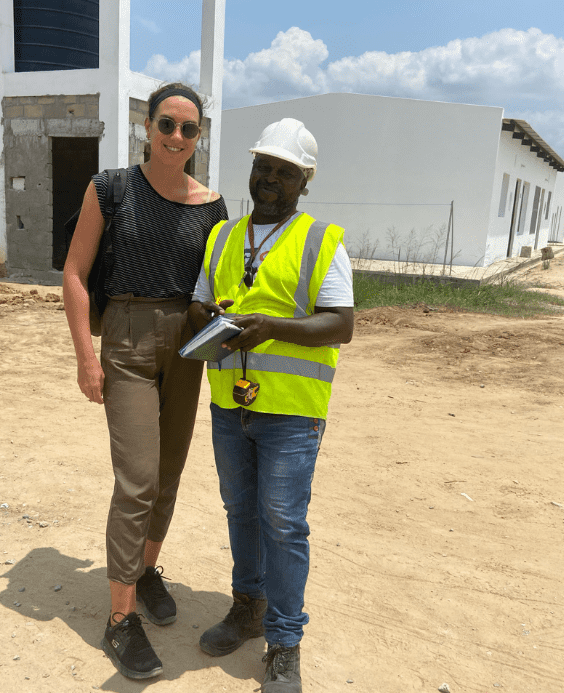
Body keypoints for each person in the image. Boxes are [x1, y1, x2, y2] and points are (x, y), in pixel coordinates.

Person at [62, 83, 228, 680]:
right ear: (147, 126)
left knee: (170, 475)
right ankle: (119, 619)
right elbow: (76, 273)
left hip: (187, 347)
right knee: (137, 480)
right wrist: (87, 356)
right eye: (166, 124)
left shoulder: (213, 206)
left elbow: (215, 287)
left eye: (188, 129)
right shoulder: (111, 188)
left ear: (199, 136)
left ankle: (146, 567)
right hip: (128, 340)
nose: (176, 138)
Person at [189, 118, 354, 692]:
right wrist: (211, 320)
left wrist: (271, 329)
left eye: (285, 172)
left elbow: (341, 324)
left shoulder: (322, 240)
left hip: (291, 411)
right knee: (240, 512)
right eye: (264, 166)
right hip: (229, 404)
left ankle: (284, 642)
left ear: (304, 181)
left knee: (282, 523)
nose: (270, 179)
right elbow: (197, 306)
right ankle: (248, 608)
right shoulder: (223, 237)